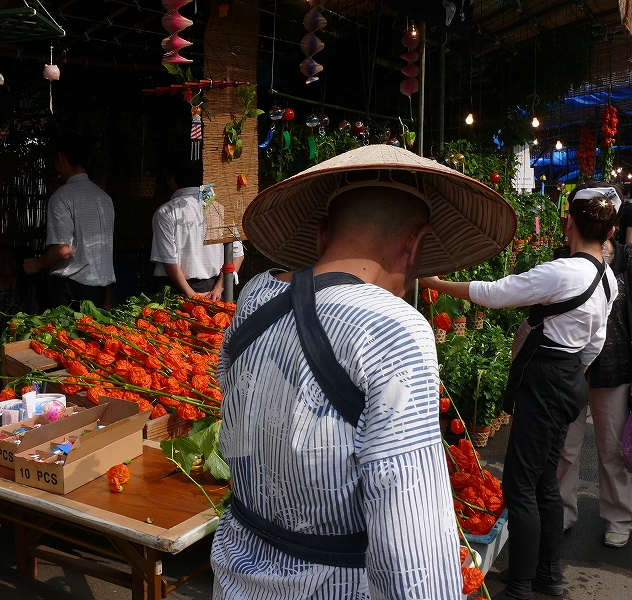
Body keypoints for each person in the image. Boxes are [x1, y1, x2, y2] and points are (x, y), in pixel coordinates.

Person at [212, 145, 516, 599]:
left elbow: (230, 397)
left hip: (234, 578)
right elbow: (412, 548)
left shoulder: (256, 298)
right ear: (414, 244)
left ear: (321, 234)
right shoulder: (395, 329)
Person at [420, 184, 619, 600]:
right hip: (568, 380)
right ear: (609, 230)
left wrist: (435, 281)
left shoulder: (564, 271)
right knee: (545, 480)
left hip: (546, 381)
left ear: (570, 222)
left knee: (520, 485)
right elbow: (596, 344)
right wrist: (570, 373)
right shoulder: (607, 279)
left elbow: (495, 294)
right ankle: (546, 575)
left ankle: (523, 586)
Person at [557, 185, 632, 549]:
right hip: (569, 368)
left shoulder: (626, 262)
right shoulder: (562, 259)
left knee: (611, 448)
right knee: (565, 447)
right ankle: (561, 511)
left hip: (614, 369)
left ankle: (618, 516)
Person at [24, 134, 115, 309]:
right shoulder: (105, 198)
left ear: (61, 156)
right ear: (87, 159)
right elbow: (105, 253)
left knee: (65, 336)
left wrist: (37, 264)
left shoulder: (62, 196)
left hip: (70, 292)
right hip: (100, 291)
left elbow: (63, 250)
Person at [151, 159, 244, 300]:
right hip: (214, 293)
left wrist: (192, 295)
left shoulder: (166, 212)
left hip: (176, 292)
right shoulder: (220, 209)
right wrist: (219, 289)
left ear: (172, 180)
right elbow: (237, 255)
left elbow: (169, 260)